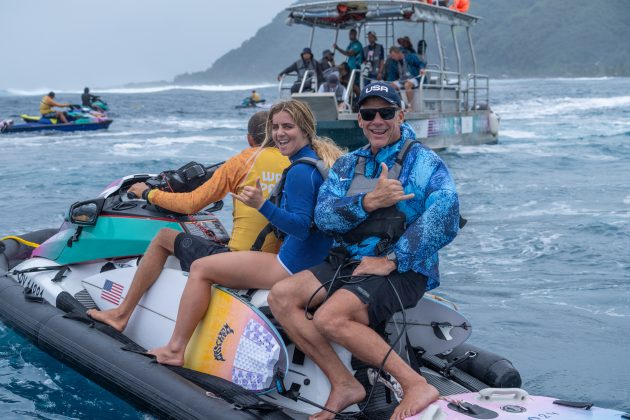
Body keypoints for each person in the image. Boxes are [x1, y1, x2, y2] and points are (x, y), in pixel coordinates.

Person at [268, 82, 461, 420]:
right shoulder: (349, 164)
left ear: (400, 114)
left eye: (386, 113)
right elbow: (324, 217)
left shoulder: (424, 163)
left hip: (404, 269)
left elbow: (445, 215)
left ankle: (415, 384)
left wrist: (393, 259)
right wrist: (368, 201)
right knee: (282, 296)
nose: (377, 120)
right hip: (350, 261)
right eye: (368, 114)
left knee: (332, 317)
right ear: (359, 119)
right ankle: (343, 383)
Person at [147, 100, 345, 367]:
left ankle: (174, 349)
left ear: (306, 130)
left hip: (288, 265)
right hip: (311, 261)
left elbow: (300, 227)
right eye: (275, 127)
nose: (280, 133)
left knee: (201, 269)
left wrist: (261, 205)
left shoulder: (300, 171)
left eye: (288, 126)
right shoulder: (318, 162)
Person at [87, 111, 290, 331]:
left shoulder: (243, 160)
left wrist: (148, 193)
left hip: (243, 263)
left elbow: (191, 204)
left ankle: (121, 314)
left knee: (164, 237)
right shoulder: (295, 162)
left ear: (250, 139)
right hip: (281, 263)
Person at [384, 46, 426, 111]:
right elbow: (392, 74)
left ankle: (410, 106)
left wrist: (422, 68)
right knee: (391, 86)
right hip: (402, 79)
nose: (392, 57)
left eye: (393, 55)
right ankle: (400, 104)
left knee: (407, 85)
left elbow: (420, 63)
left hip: (414, 77)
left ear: (398, 53)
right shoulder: (394, 62)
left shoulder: (410, 57)